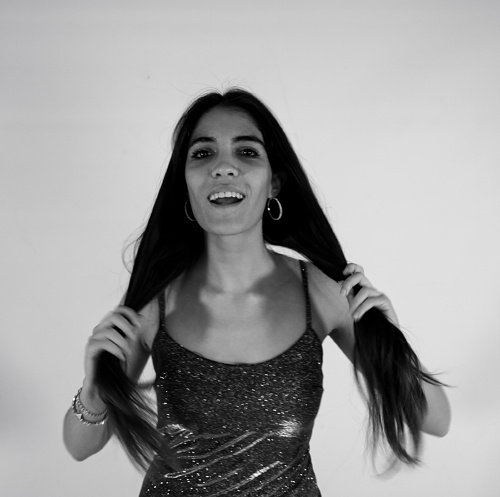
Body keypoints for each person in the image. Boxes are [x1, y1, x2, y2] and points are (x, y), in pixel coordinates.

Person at [63, 88, 451, 496]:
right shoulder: (155, 302)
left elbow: (436, 420)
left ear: (274, 183)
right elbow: (79, 446)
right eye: (203, 153)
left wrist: (390, 341)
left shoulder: (323, 293)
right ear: (184, 185)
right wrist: (93, 388)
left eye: (246, 152)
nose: (223, 167)